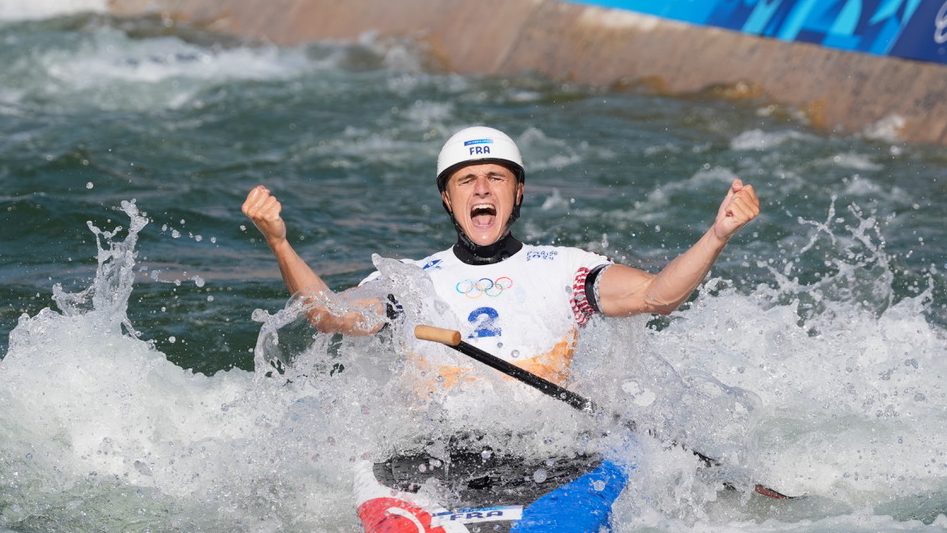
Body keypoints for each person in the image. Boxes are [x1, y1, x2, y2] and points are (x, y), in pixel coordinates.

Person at [241, 126, 760, 389]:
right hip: (434, 453)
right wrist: (280, 242)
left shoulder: (564, 269)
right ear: (448, 199)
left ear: (518, 193)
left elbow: (657, 297)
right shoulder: (411, 281)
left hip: (547, 453)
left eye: (497, 179)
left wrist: (716, 235)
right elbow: (328, 315)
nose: (482, 189)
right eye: (467, 181)